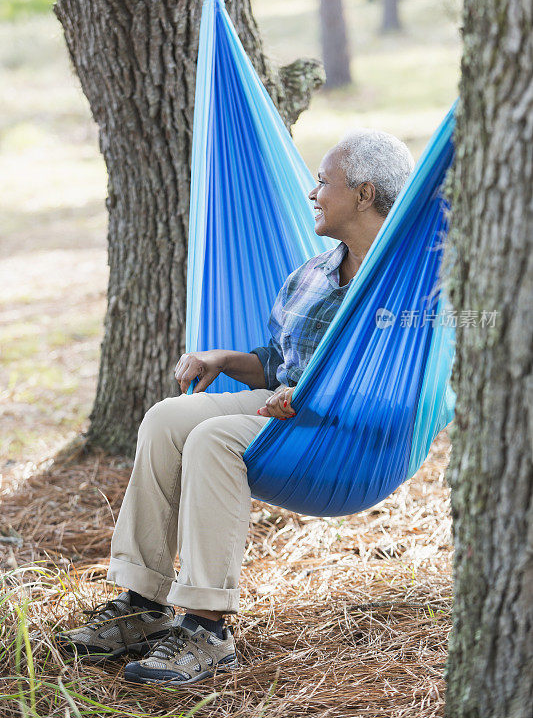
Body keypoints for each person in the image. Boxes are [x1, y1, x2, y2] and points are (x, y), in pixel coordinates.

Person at [56, 128, 414, 685]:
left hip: (343, 429)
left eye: (323, 182)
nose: (311, 193)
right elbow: (277, 360)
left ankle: (206, 625)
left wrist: (314, 393)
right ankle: (142, 603)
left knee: (213, 441)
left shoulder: (405, 284)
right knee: (167, 418)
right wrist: (223, 358)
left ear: (364, 194)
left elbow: (404, 378)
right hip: (283, 406)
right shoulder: (312, 273)